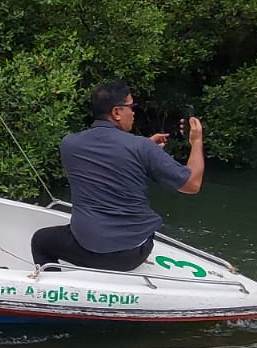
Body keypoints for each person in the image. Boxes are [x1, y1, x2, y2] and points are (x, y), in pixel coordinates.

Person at [30, 80, 204, 272]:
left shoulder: (69, 144)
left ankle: (59, 291)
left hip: (85, 248)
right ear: (116, 112)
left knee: (41, 241)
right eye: (131, 107)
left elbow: (109, 158)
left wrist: (144, 148)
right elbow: (192, 184)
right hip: (132, 254)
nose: (134, 112)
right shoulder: (141, 148)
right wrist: (196, 141)